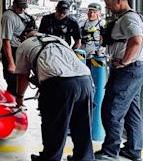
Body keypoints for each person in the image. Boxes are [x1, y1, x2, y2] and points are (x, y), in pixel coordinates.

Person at [15, 30, 94, 161]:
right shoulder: (58, 39)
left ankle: (50, 158)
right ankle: (83, 158)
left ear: (25, 37)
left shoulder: (25, 45)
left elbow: (23, 75)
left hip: (60, 84)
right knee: (82, 124)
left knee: (54, 124)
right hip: (85, 80)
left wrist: (19, 98)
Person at [94, 0, 143, 161]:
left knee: (111, 110)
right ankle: (133, 150)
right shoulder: (125, 18)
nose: (107, 7)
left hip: (127, 70)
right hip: (133, 69)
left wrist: (124, 62)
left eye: (109, 4)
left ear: (118, 0)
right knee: (132, 111)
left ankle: (109, 151)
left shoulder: (130, 18)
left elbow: (136, 40)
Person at [1, 0, 36, 96]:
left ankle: (18, 100)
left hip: (23, 50)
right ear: (14, 4)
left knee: (22, 80)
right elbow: (6, 41)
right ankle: (11, 102)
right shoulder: (9, 17)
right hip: (12, 50)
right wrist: (11, 63)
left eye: (24, 7)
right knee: (12, 81)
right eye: (19, 7)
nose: (22, 9)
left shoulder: (26, 16)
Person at [79, 3, 106, 69]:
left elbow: (105, 40)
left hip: (96, 55)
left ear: (99, 13)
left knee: (96, 75)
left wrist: (101, 50)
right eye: (90, 12)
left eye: (94, 12)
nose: (91, 14)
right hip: (82, 54)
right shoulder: (82, 22)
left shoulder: (102, 24)